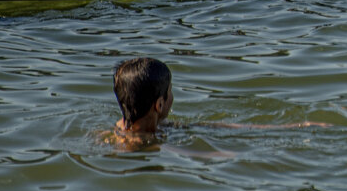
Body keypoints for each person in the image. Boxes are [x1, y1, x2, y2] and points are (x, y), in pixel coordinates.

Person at [109, 57, 329, 149]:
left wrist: (291, 129)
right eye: (171, 91)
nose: (173, 95)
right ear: (159, 104)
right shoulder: (146, 145)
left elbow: (210, 127)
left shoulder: (127, 126)